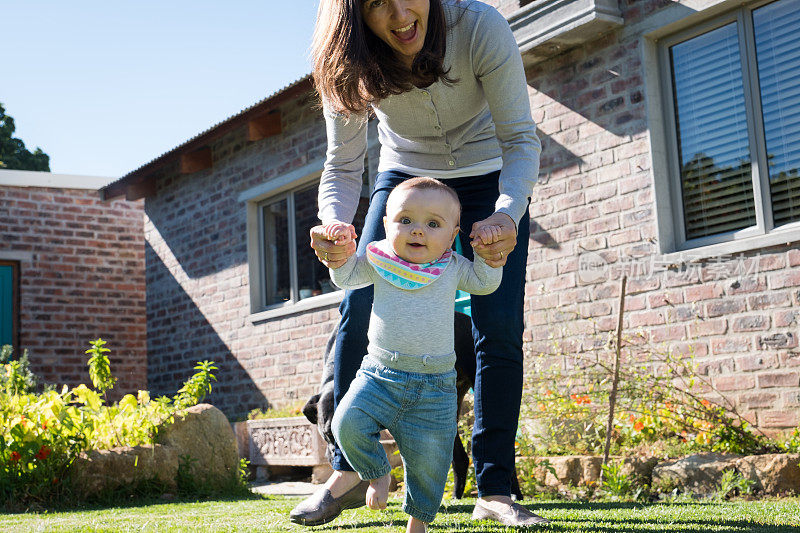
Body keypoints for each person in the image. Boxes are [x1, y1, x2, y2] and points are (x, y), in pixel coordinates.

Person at [291, 0, 547, 527]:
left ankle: (495, 488)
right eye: (377, 4)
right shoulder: (349, 57)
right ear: (354, 15)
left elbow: (520, 139)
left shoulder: (477, 27)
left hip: (487, 177)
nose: (399, 14)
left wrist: (507, 216)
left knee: (496, 326)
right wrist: (336, 225)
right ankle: (348, 470)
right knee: (358, 308)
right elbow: (342, 164)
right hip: (404, 177)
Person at [326, 177, 502, 533]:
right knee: (345, 424)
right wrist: (341, 254)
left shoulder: (452, 266)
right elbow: (345, 278)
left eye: (433, 224)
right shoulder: (379, 260)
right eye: (405, 220)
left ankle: (417, 522)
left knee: (430, 462)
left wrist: (487, 259)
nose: (417, 230)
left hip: (435, 383)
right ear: (387, 223)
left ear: (453, 233)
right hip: (379, 374)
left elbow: (485, 284)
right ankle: (377, 474)